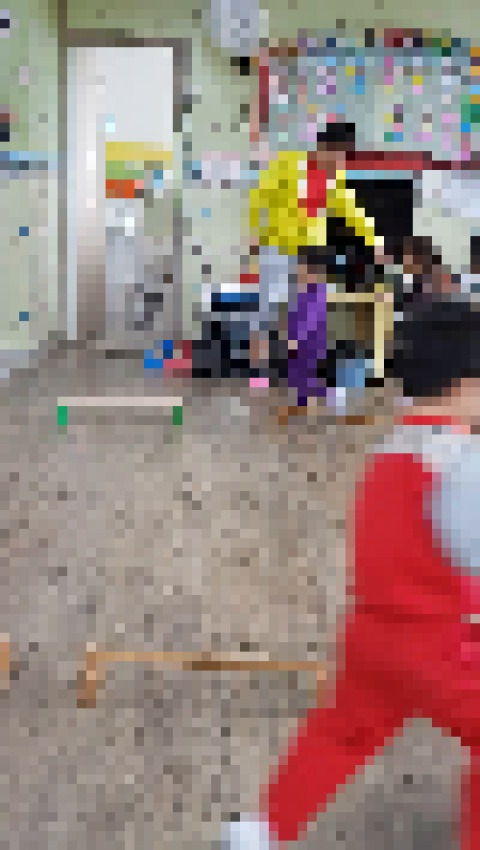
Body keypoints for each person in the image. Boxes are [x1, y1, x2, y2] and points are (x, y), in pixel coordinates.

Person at [222, 296, 480, 849]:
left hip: (370, 636)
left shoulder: (392, 448)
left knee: (342, 732)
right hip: (436, 643)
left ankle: (260, 831)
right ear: (467, 385)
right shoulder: (461, 462)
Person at [248, 121, 387, 387]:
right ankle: (259, 373)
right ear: (322, 148)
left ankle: (300, 370)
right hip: (278, 246)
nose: (339, 163)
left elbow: (351, 211)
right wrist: (255, 233)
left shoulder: (334, 179)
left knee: (309, 311)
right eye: (336, 155)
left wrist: (374, 241)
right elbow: (260, 197)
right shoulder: (287, 165)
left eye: (343, 158)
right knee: (269, 312)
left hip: (310, 251)